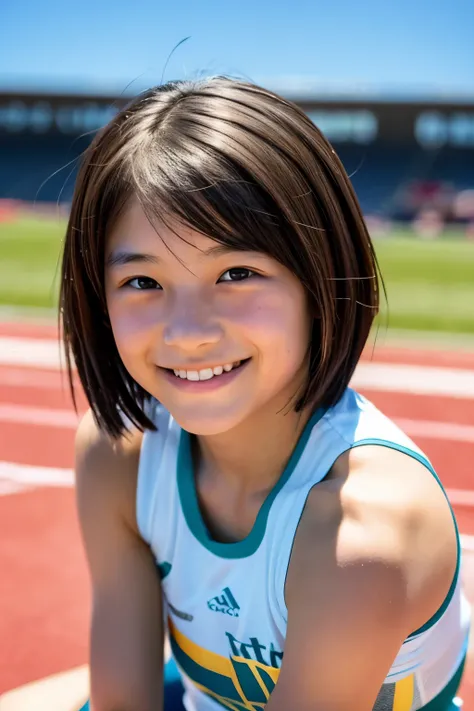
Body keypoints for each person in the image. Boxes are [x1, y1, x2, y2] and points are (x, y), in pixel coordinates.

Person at [60, 77, 470, 711]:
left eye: (237, 273)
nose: (189, 332)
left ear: (319, 278)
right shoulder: (121, 455)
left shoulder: (359, 530)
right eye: (142, 280)